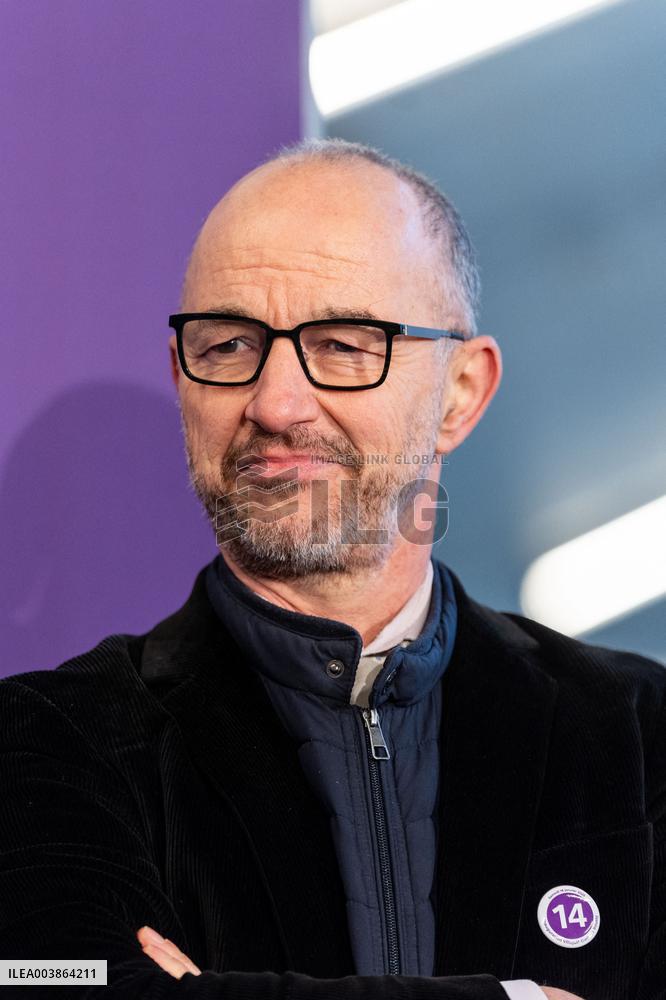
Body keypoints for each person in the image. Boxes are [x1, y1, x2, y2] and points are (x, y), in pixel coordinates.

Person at [0, 139, 663, 1000]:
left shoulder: (638, 736)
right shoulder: (48, 739)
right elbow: (48, 986)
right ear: (181, 379)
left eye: (346, 344)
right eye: (228, 345)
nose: (276, 404)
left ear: (461, 393)